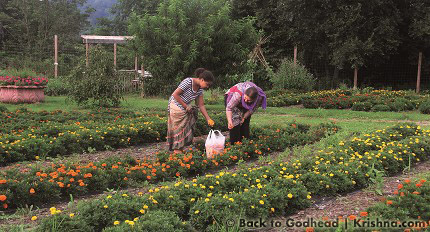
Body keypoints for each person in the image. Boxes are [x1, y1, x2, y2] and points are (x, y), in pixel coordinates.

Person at [167, 68, 215, 153]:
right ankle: (177, 151)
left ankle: (180, 149)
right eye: (207, 84)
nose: (207, 87)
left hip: (185, 107)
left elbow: (201, 105)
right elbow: (175, 94)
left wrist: (208, 118)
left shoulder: (200, 89)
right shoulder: (188, 82)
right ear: (202, 79)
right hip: (176, 105)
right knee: (180, 129)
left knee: (186, 128)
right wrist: (186, 106)